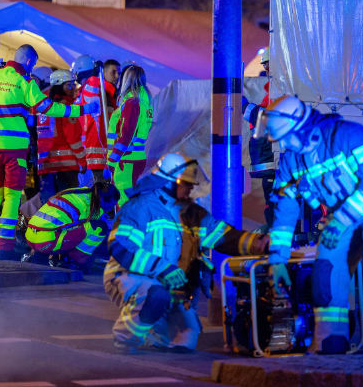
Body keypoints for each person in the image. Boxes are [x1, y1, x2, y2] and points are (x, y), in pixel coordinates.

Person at [255, 96, 363, 352]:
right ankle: (330, 340)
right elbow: (285, 213)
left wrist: (341, 220)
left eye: (286, 138)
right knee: (326, 268)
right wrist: (277, 260)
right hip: (341, 213)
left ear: (301, 128)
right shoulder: (290, 161)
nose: (282, 145)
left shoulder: (348, 134)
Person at [104, 152, 271, 354]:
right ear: (168, 182)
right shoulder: (140, 207)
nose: (190, 188)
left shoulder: (191, 212)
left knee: (185, 339)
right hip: (129, 276)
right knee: (155, 295)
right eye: (186, 184)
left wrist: (259, 243)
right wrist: (162, 268)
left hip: (170, 283)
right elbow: (120, 245)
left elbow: (223, 236)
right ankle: (125, 338)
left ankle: (153, 333)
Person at [0, 44, 100, 260]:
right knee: (12, 197)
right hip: (15, 150)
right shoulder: (26, 82)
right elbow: (49, 108)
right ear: (30, 61)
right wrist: (84, 109)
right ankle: (4, 248)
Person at [26, 180, 118, 268]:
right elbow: (81, 230)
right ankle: (73, 261)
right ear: (101, 199)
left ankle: (39, 254)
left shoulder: (80, 192)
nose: (110, 209)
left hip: (31, 237)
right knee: (100, 227)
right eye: (110, 206)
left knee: (74, 227)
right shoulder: (89, 205)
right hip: (46, 242)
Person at [36, 69, 87, 205]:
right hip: (66, 168)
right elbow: (73, 138)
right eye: (69, 85)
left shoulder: (44, 108)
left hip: (45, 168)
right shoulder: (66, 108)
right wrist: (83, 161)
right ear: (59, 86)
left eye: (73, 84)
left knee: (48, 209)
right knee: (67, 207)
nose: (73, 88)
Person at [106, 66, 154, 206]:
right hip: (135, 158)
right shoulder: (145, 102)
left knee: (125, 203)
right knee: (132, 201)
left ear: (126, 79)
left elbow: (125, 136)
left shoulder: (132, 103)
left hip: (126, 160)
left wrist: (111, 163)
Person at [241, 48, 275, 226]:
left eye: (268, 65)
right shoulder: (273, 89)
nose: (266, 70)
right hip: (266, 159)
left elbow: (268, 118)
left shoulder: (280, 90)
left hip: (270, 160)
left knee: (272, 204)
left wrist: (244, 106)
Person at [73, 55, 117, 181]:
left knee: (95, 186)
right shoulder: (87, 90)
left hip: (94, 149)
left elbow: (91, 100)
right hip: (88, 150)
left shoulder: (92, 87)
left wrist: (93, 78)